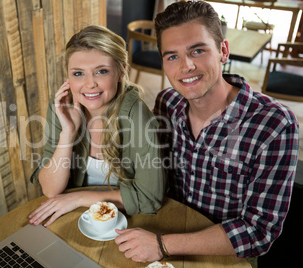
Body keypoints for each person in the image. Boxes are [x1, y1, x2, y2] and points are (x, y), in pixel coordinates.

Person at [114, 1, 299, 266]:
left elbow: (259, 232)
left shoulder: (275, 124)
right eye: (172, 56)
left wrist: (162, 244)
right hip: (163, 234)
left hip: (224, 256)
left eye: (197, 50)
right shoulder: (167, 103)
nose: (185, 66)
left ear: (223, 51)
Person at [29, 25, 165, 227]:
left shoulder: (135, 112)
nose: (89, 83)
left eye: (101, 71)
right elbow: (50, 189)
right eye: (78, 73)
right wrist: (68, 133)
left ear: (121, 71)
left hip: (126, 220)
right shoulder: (62, 105)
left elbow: (149, 197)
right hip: (77, 217)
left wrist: (77, 199)